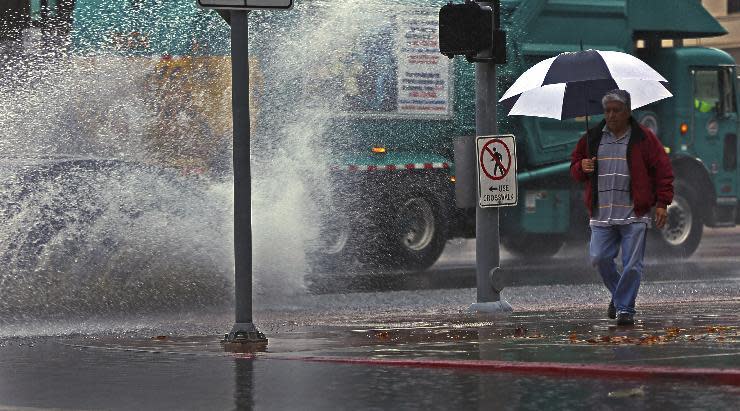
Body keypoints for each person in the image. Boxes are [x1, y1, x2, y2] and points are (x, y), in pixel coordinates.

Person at [570, 89, 674, 325]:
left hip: (634, 214)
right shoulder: (592, 138)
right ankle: (620, 296)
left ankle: (625, 309)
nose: (611, 115)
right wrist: (582, 166)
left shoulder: (643, 138)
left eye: (617, 110)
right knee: (598, 258)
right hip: (601, 214)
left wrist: (662, 204)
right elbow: (575, 169)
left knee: (632, 265)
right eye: (607, 111)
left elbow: (663, 170)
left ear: (628, 112)